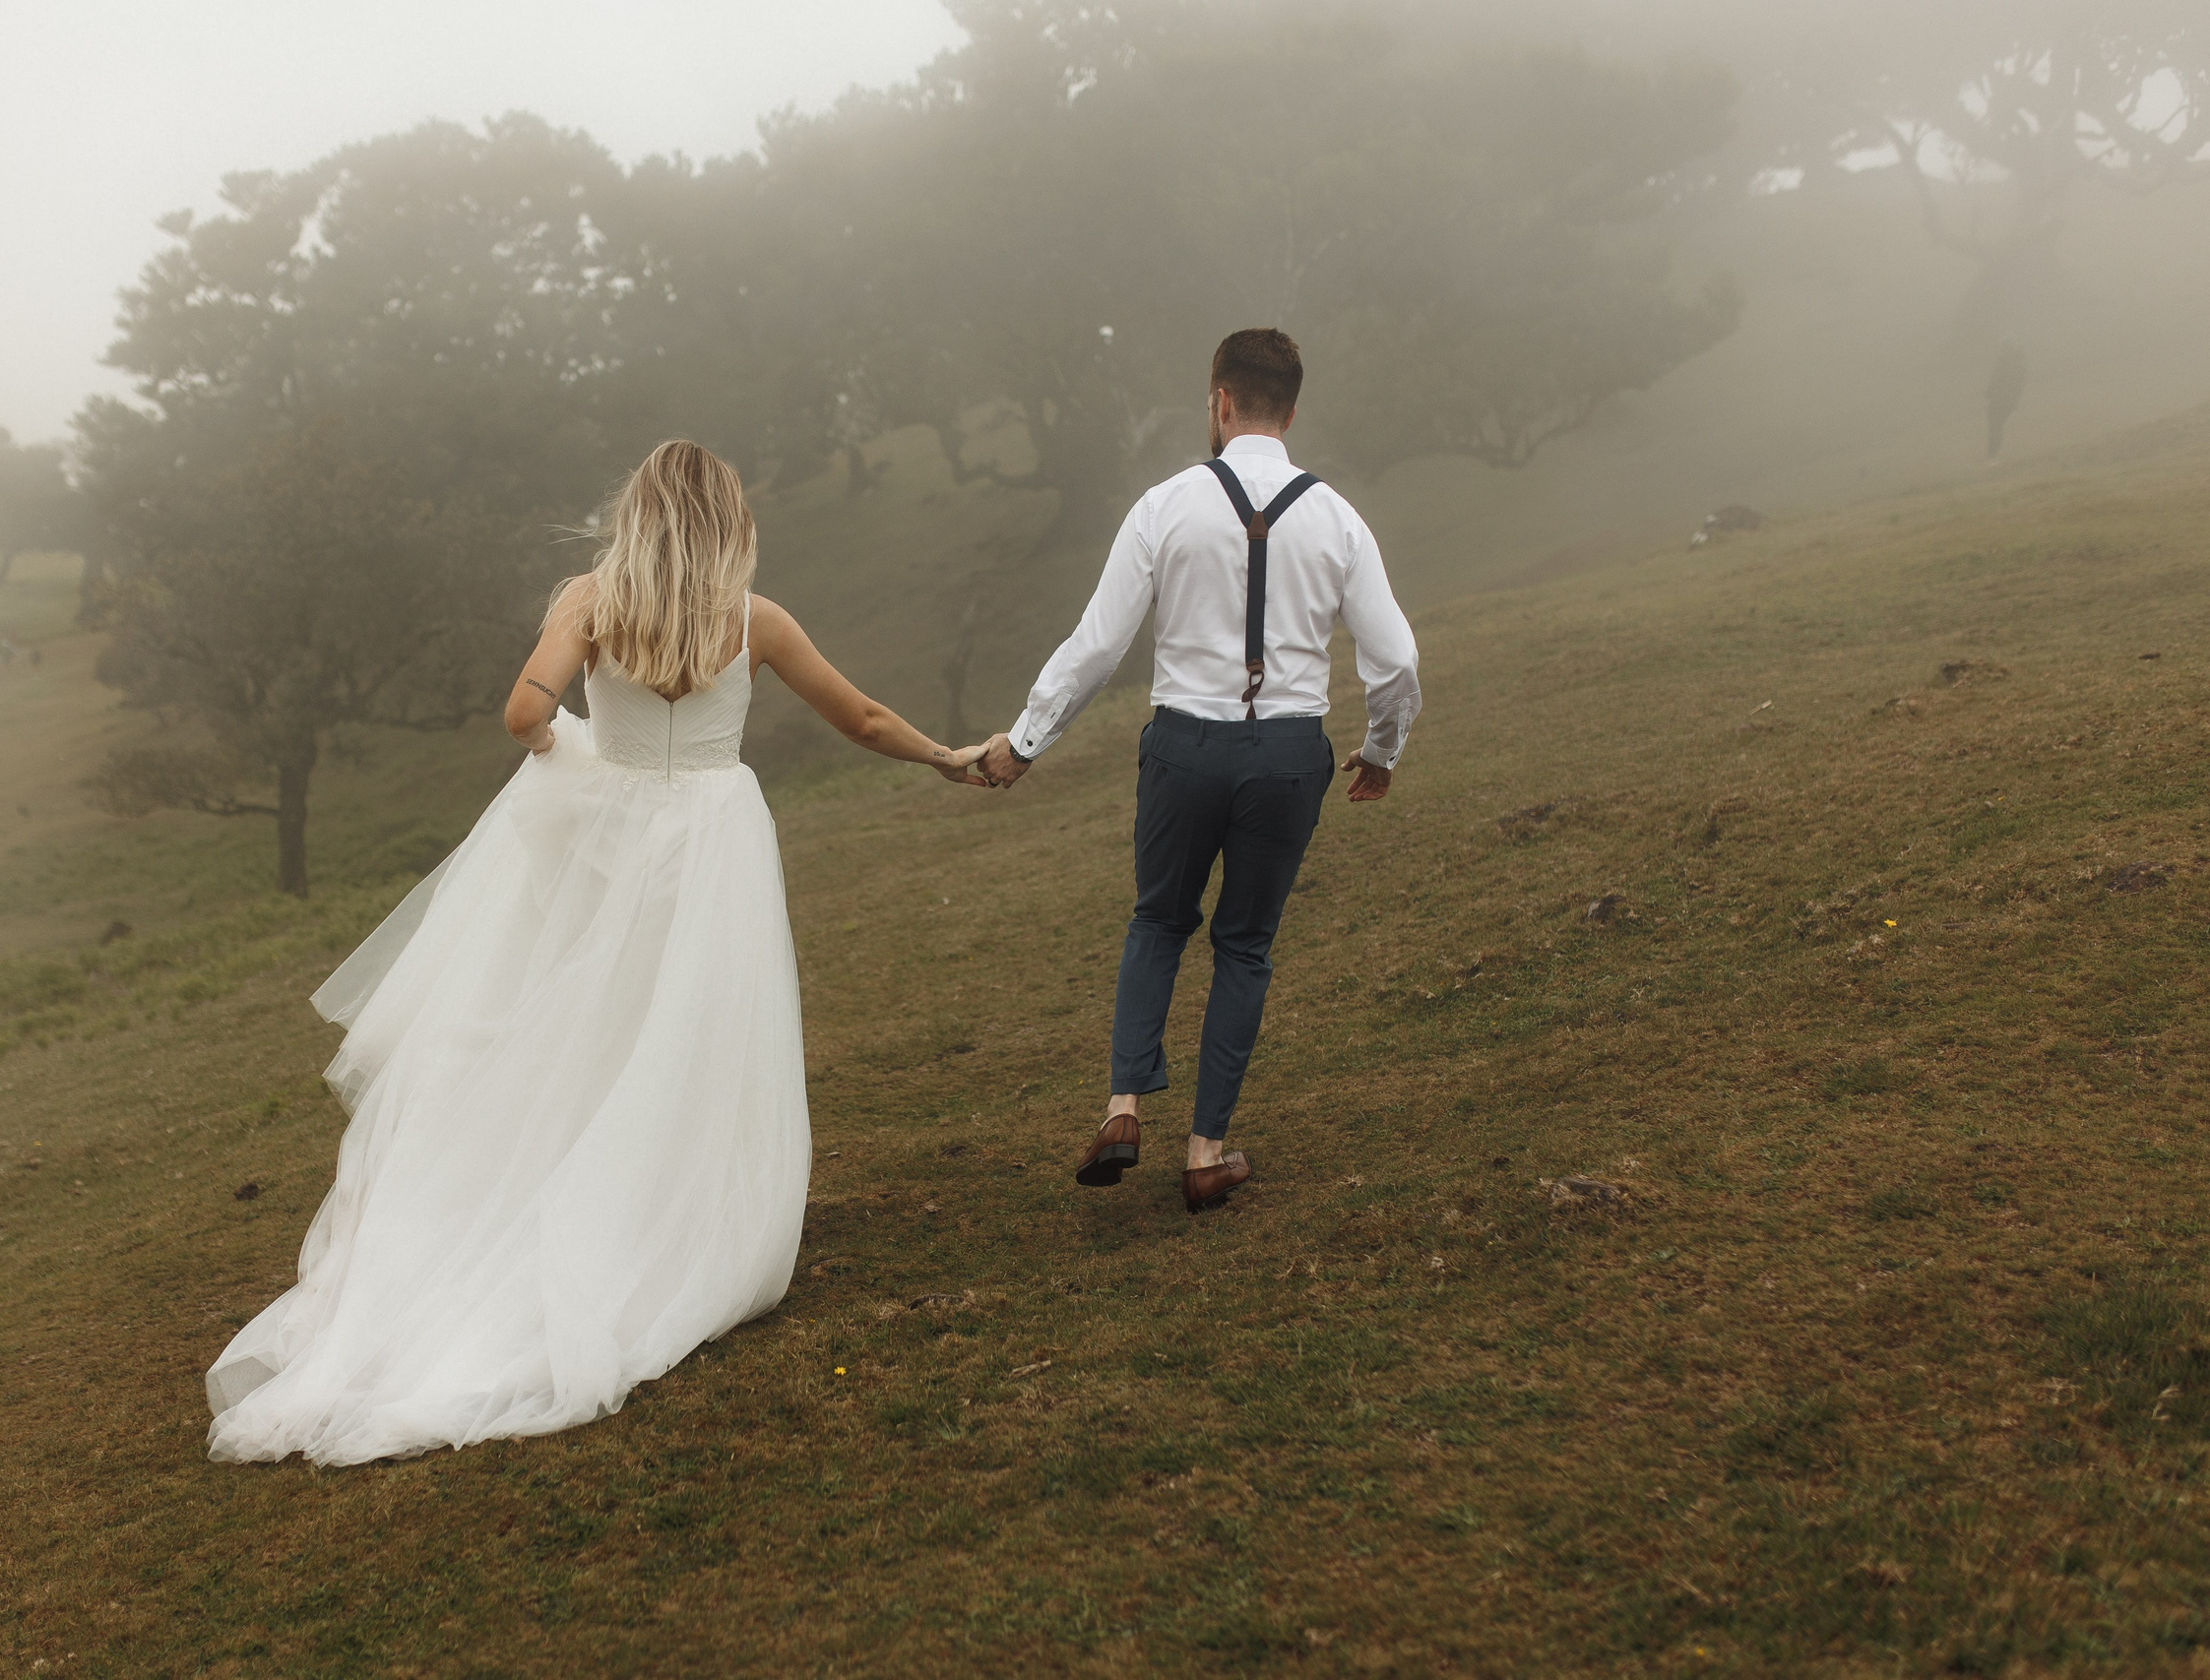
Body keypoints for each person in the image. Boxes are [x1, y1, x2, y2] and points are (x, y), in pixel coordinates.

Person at [206, 440, 987, 1464]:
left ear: (638, 515)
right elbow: (863, 716)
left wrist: (566, 756)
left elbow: (524, 712)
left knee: (587, 1020)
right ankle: (669, 1213)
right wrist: (944, 756)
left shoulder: (591, 601)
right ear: (726, 522)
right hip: (711, 842)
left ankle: (559, 1191)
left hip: (615, 833)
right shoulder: (754, 621)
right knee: (691, 1027)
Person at [976, 329, 1420, 1213]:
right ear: (1290, 411)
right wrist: (1381, 750)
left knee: (1157, 920)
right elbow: (1396, 658)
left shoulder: (1164, 506)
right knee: (1244, 947)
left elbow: (1098, 646)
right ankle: (1207, 1151)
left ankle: (1124, 1105)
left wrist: (1025, 742)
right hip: (1289, 755)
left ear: (1219, 401)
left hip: (1184, 749)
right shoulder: (1337, 518)